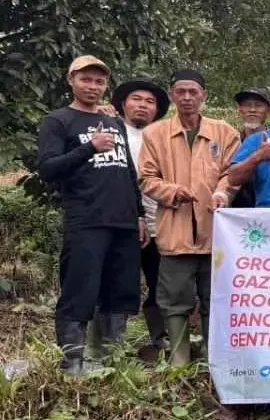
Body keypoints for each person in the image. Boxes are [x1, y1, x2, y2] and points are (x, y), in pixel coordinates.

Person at [37, 56, 146, 375]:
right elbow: (47, 169)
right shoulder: (58, 121)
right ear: (71, 80)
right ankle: (72, 363)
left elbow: (128, 171)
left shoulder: (113, 122)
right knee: (80, 290)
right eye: (86, 79)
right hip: (86, 220)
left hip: (124, 222)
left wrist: (139, 214)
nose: (93, 86)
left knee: (121, 291)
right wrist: (89, 148)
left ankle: (112, 361)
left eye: (99, 81)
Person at [139, 69, 241, 367]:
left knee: (215, 298)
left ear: (203, 95)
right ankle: (179, 359)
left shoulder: (224, 133)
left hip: (216, 234)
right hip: (175, 233)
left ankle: (214, 358)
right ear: (172, 95)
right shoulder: (155, 134)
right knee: (174, 300)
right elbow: (146, 178)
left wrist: (223, 192)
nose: (187, 97)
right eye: (180, 92)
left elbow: (233, 173)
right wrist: (172, 191)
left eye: (193, 92)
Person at [105, 78, 171, 352]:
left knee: (161, 282)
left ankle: (161, 337)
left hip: (161, 220)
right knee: (121, 281)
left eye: (150, 101)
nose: (143, 105)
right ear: (123, 104)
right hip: (124, 220)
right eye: (136, 99)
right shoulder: (111, 132)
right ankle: (113, 344)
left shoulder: (163, 137)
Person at [227, 87, 270, 208]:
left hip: (268, 210)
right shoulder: (230, 143)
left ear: (269, 110)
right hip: (236, 211)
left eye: (258, 105)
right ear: (239, 110)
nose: (252, 110)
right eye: (247, 105)